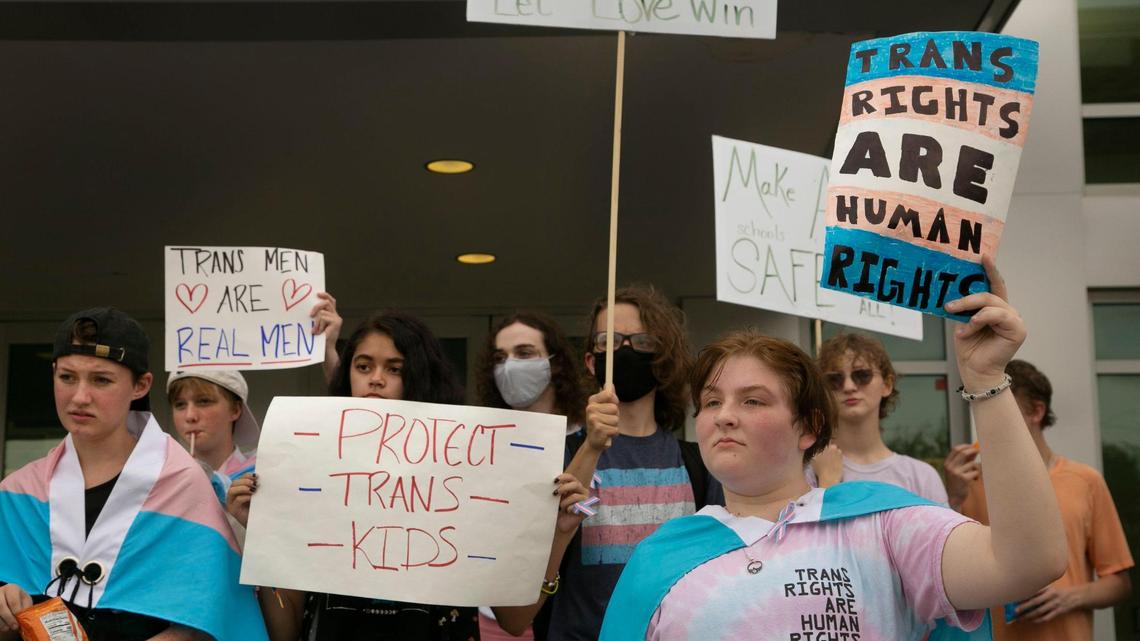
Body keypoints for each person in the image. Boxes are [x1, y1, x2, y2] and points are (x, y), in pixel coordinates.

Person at [599, 258, 1068, 641]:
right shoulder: (656, 559)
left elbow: (1030, 561)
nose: (723, 415)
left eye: (754, 400)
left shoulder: (883, 526)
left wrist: (985, 378)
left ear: (809, 427)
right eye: (711, 402)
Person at [228, 310, 588, 641]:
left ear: (420, 376)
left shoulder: (471, 472)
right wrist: (265, 541)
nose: (377, 380)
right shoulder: (308, 472)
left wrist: (557, 536)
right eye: (364, 366)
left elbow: (514, 619)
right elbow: (284, 631)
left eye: (395, 368)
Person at [0, 307, 267, 641]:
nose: (80, 397)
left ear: (141, 385)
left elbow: (212, 618)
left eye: (102, 380)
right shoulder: (16, 492)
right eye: (67, 377)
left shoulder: (183, 483)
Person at [550, 285, 723, 641]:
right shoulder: (561, 454)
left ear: (662, 359)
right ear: (590, 360)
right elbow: (537, 563)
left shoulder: (701, 464)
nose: (624, 350)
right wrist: (592, 445)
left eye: (641, 341)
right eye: (608, 340)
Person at [944, 359, 1133, 641]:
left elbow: (1119, 583)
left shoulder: (1085, 480)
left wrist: (1070, 597)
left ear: (1036, 411)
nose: (986, 419)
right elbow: (941, 574)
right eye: (980, 405)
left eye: (998, 406)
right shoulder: (966, 481)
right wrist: (952, 498)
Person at [473, 311, 590, 641]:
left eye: (524, 354)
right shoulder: (480, 445)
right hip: (492, 617)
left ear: (555, 364)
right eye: (500, 358)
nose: (510, 365)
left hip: (566, 618)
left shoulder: (589, 442)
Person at [809, 333, 948, 504]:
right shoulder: (809, 471)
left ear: (887, 385)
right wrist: (826, 482)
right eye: (834, 379)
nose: (848, 386)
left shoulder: (921, 476)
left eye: (862, 375)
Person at [166, 370, 259, 504]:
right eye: (180, 404)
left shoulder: (260, 476)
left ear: (235, 410)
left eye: (204, 401)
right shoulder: (160, 478)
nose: (190, 416)